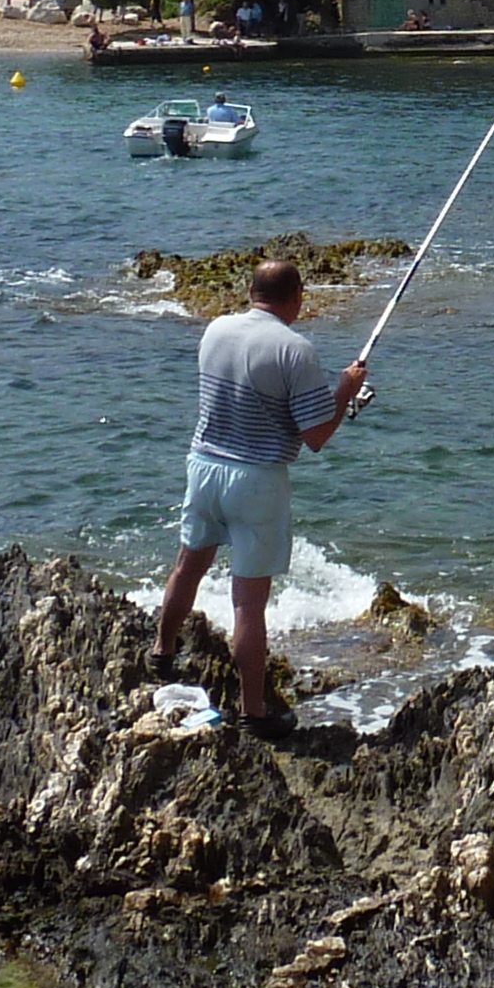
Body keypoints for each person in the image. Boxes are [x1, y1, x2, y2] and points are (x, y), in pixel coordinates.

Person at [153, 257, 369, 739]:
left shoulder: (215, 330)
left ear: (251, 291)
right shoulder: (296, 350)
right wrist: (344, 390)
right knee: (248, 605)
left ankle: (162, 655)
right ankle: (255, 712)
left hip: (203, 465)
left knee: (188, 565)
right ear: (296, 299)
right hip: (256, 479)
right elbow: (315, 434)